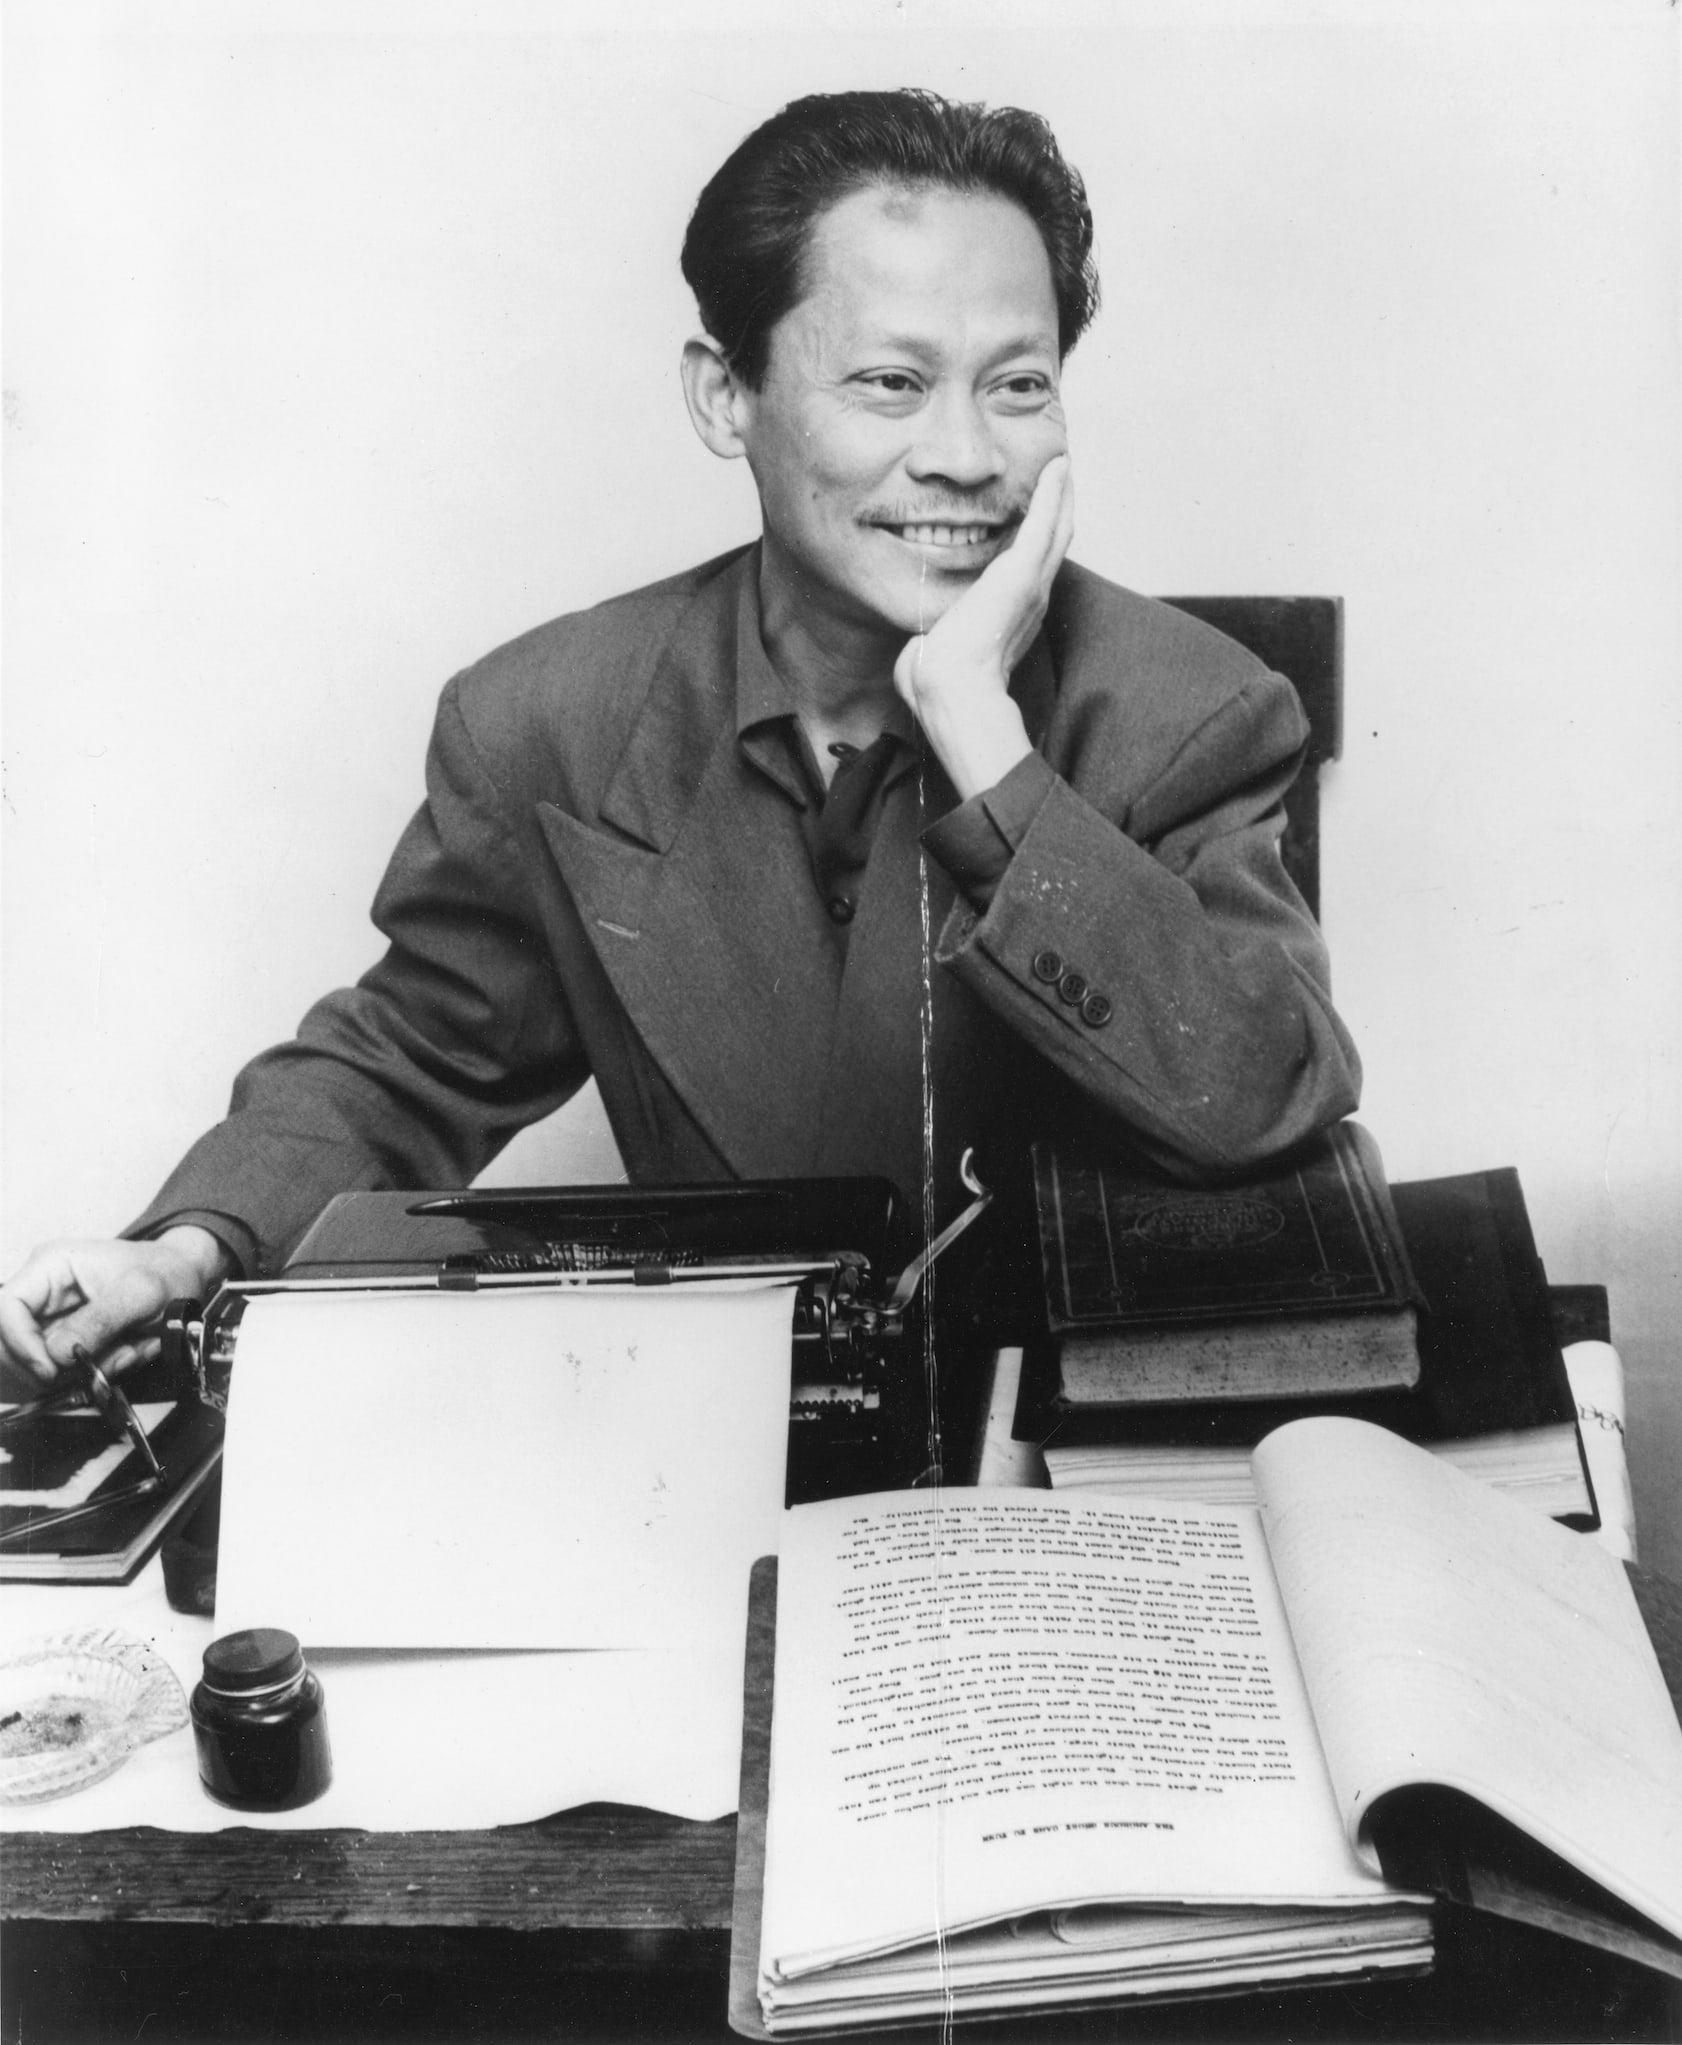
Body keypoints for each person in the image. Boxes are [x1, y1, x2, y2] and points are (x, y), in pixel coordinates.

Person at [0, 87, 1360, 1390]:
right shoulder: (548, 719)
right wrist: (184, 1248)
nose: (965, 456)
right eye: (891, 381)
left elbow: (1264, 1097)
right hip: (717, 1438)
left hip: (1077, 1466)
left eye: (1016, 385)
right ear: (726, 396)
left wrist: (981, 736)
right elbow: (409, 1061)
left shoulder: (1192, 707)